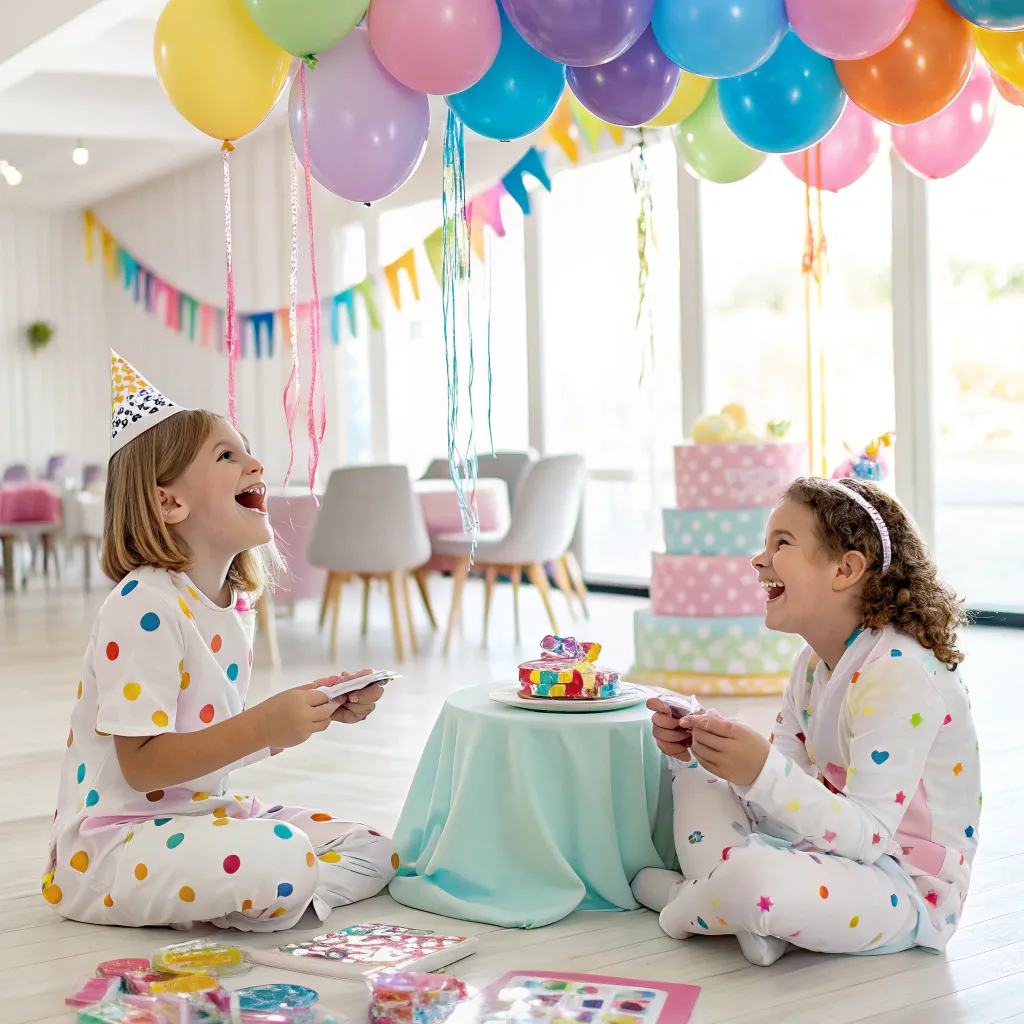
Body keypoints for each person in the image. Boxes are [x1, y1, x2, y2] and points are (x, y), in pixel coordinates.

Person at [42, 352, 398, 931]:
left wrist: (306, 710)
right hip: (113, 848)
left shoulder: (233, 604)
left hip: (201, 818)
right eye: (227, 455)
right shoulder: (143, 605)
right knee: (283, 854)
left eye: (247, 448)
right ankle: (261, 887)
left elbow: (213, 739)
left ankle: (254, 890)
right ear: (168, 502)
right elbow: (143, 768)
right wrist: (264, 728)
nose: (254, 463)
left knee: (376, 847)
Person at [632, 477, 980, 966]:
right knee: (700, 783)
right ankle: (749, 916)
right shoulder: (813, 664)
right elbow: (777, 811)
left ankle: (683, 904)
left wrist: (761, 772)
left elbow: (869, 837)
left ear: (845, 569)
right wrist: (703, 754)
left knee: (757, 877)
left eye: (782, 543)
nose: (759, 560)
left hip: (903, 885)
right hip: (825, 853)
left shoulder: (899, 676)